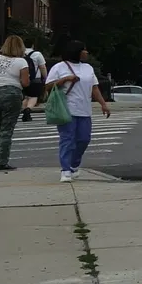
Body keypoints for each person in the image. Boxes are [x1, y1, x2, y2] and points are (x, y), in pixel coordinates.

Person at [44, 40, 111, 182]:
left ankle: (74, 164)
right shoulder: (59, 67)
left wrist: (103, 104)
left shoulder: (88, 68)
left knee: (83, 139)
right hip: (67, 109)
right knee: (67, 139)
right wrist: (65, 79)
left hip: (84, 110)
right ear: (76, 51)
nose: (86, 52)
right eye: (84, 50)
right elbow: (48, 86)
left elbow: (94, 87)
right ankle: (65, 170)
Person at [0, 35, 31, 171]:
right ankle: (2, 161)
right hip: (11, 94)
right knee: (6, 130)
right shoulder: (21, 62)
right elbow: (25, 83)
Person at [21, 43, 46, 122]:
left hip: (23, 78)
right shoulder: (37, 54)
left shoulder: (20, 53)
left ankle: (24, 111)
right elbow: (42, 67)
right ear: (32, 45)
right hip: (35, 79)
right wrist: (45, 77)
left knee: (26, 97)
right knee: (33, 97)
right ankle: (28, 110)